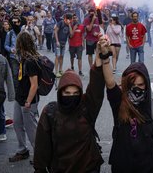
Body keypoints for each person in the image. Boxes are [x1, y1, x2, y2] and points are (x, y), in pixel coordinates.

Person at [99, 35, 153, 173]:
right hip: (122, 166)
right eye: (133, 85)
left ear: (147, 85)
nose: (137, 89)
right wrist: (105, 57)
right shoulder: (119, 101)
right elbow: (109, 82)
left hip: (148, 167)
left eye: (141, 85)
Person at [33, 38, 106, 172]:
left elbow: (96, 87)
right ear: (60, 93)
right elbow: (42, 146)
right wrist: (39, 169)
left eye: (75, 93)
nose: (71, 96)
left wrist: (98, 59)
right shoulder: (50, 113)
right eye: (67, 93)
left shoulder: (86, 107)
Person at [9, 32, 39, 163]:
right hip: (20, 98)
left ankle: (40, 154)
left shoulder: (31, 61)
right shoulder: (23, 58)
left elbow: (34, 85)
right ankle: (23, 150)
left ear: (21, 44)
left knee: (31, 129)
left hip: (28, 100)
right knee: (17, 124)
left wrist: (28, 101)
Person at [54, 13, 73, 78]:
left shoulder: (69, 25)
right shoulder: (60, 23)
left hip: (63, 43)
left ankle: (60, 70)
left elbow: (71, 34)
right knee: (57, 56)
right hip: (58, 42)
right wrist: (57, 41)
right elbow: (55, 31)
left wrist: (69, 25)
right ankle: (56, 72)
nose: (71, 21)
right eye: (70, 19)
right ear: (66, 19)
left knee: (62, 56)